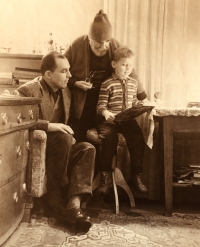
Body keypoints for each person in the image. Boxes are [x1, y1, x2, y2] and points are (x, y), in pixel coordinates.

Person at [17, 51, 95, 234]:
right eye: (64, 71)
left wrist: (68, 133)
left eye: (69, 71)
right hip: (40, 146)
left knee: (87, 148)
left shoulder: (65, 91)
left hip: (61, 145)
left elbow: (66, 121)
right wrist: (50, 126)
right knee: (62, 138)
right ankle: (54, 201)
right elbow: (21, 121)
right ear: (48, 74)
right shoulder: (28, 90)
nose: (69, 75)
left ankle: (73, 205)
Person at [64, 10, 139, 142]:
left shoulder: (115, 45)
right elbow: (61, 70)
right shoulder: (76, 45)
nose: (104, 46)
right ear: (89, 39)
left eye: (107, 42)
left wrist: (143, 95)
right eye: (99, 43)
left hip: (108, 97)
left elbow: (131, 70)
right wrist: (75, 83)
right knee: (80, 133)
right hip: (83, 99)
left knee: (107, 135)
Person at [96, 46, 148, 194]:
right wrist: (105, 113)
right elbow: (100, 105)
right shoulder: (107, 84)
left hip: (127, 121)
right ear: (114, 65)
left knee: (138, 138)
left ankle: (135, 175)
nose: (127, 68)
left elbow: (134, 103)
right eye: (124, 64)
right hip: (109, 121)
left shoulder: (134, 83)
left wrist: (143, 105)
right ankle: (104, 177)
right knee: (108, 138)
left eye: (130, 65)